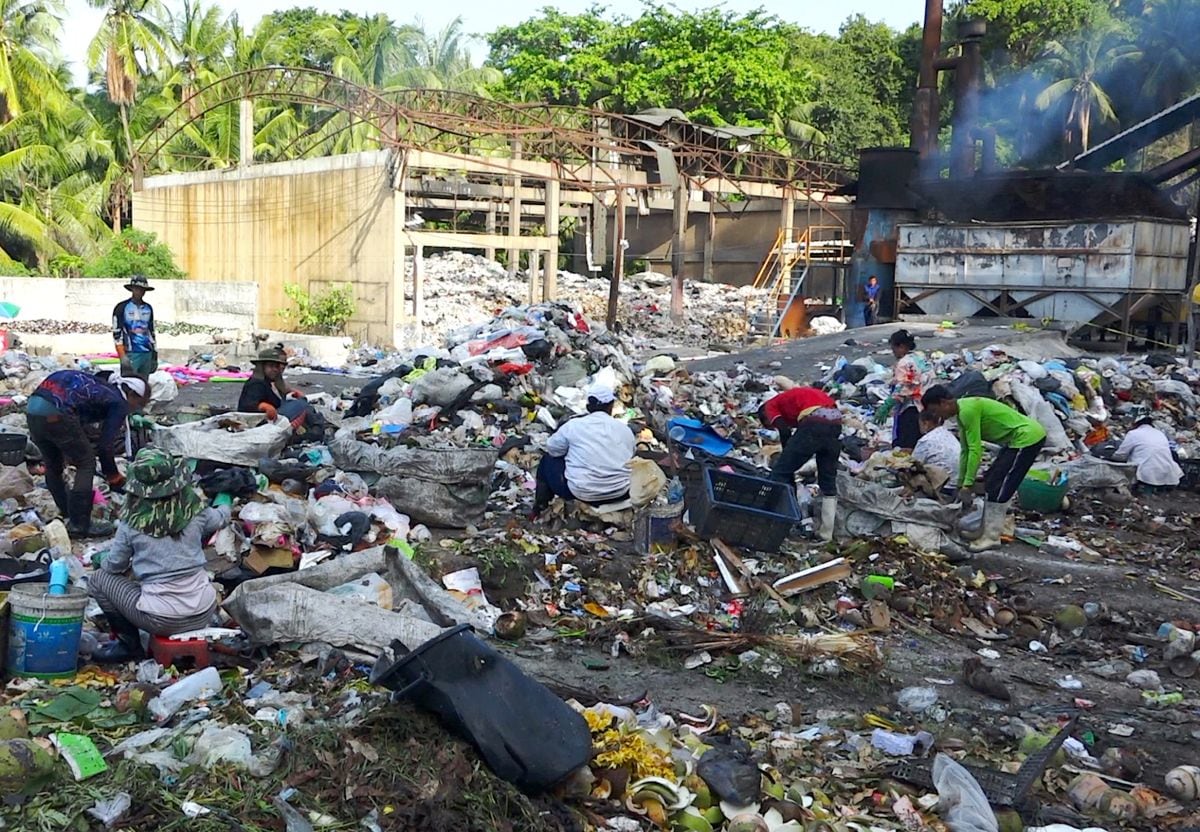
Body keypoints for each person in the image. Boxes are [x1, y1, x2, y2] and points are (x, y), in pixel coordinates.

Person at [89, 449, 228, 662]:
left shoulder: (131, 523)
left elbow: (113, 567)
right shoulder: (195, 511)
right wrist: (226, 498)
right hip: (203, 612)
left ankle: (128, 646)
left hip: (161, 620)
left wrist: (102, 559)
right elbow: (221, 518)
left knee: (98, 580)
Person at [922, 385, 1046, 552]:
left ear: (944, 403)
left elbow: (975, 450)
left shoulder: (967, 410)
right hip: (1014, 441)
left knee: (1001, 488)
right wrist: (961, 482)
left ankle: (992, 537)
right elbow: (965, 450)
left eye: (936, 410)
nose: (937, 416)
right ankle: (984, 530)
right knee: (991, 482)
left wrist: (968, 483)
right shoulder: (961, 413)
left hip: (1027, 438)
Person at [26, 370, 148, 538]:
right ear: (132, 394)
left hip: (33, 410)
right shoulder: (118, 401)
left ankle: (68, 513)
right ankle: (80, 525)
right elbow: (105, 447)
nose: (135, 409)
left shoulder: (102, 387)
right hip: (57, 411)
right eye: (139, 404)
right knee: (86, 462)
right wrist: (114, 477)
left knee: (53, 464)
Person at [532, 383, 635, 517]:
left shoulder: (573, 426)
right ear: (611, 406)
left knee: (547, 459)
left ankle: (540, 508)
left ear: (588, 407)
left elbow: (552, 449)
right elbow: (631, 455)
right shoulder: (624, 429)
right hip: (620, 492)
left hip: (583, 493)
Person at [759, 386, 843, 542]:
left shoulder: (770, 406)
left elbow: (783, 431)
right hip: (836, 421)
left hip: (815, 422)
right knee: (828, 482)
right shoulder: (794, 399)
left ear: (765, 417)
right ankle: (826, 534)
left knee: (779, 472)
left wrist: (787, 456)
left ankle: (769, 522)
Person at [876, 329, 933, 451]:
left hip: (910, 408)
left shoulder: (904, 363)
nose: (894, 352)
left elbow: (902, 388)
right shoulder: (921, 358)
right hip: (925, 406)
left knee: (905, 445)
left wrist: (887, 406)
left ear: (901, 346)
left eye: (894, 349)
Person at [238, 345, 313, 434]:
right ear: (262, 367)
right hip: (260, 422)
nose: (275, 370)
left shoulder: (267, 381)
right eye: (271, 366)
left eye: (276, 367)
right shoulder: (256, 383)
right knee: (301, 403)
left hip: (270, 417)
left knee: (297, 402)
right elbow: (247, 405)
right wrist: (264, 406)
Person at [1113, 417, 1183, 494]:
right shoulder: (1159, 433)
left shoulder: (1133, 433)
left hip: (1145, 474)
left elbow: (1120, 455)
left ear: (1135, 423)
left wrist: (1111, 456)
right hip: (1166, 472)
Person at [112, 275, 158, 377]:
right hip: (131, 353)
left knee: (143, 386)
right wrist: (122, 356)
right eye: (137, 289)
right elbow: (116, 333)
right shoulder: (122, 307)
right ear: (132, 289)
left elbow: (151, 332)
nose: (140, 292)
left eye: (143, 290)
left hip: (147, 353)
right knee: (130, 385)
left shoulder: (148, 308)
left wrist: (154, 354)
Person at [912, 410, 961, 492]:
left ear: (925, 423)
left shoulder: (925, 441)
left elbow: (912, 464)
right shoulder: (948, 434)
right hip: (958, 483)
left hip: (944, 486)